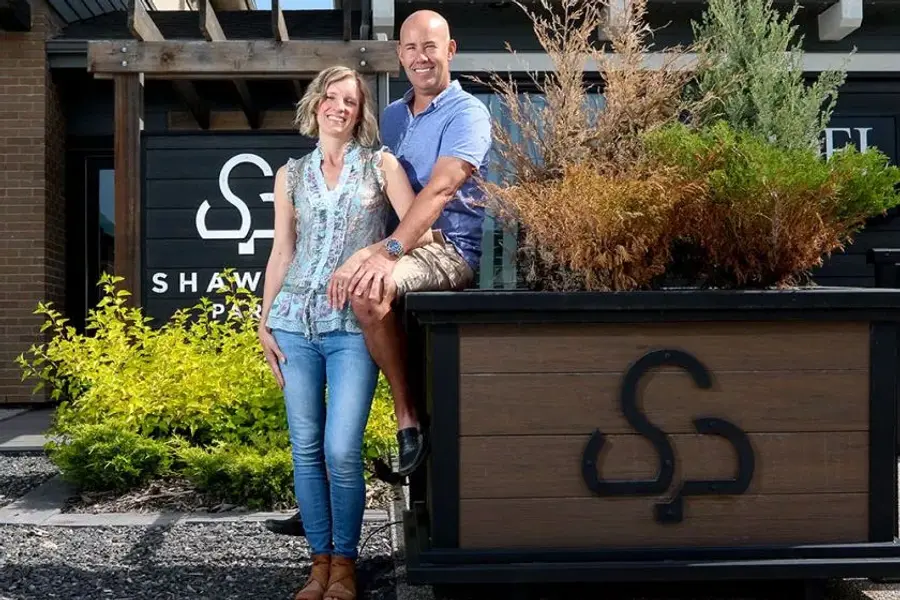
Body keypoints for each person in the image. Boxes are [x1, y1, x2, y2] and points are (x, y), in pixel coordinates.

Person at [264, 7, 493, 538]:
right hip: (390, 251)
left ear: (450, 50)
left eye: (430, 46)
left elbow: (440, 191)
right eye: (410, 48)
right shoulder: (391, 117)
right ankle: (320, 499)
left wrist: (384, 252)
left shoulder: (468, 113)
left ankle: (407, 420)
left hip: (445, 248)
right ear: (399, 55)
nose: (420, 57)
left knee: (368, 292)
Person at [257, 65, 432, 600]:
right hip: (293, 323)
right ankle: (320, 567)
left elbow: (418, 231)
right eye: (331, 98)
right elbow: (282, 251)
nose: (339, 107)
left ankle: (346, 566)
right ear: (316, 105)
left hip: (351, 327)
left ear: (360, 115)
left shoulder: (381, 165)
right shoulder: (290, 175)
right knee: (305, 450)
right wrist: (264, 320)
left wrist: (371, 255)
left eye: (350, 101)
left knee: (341, 450)